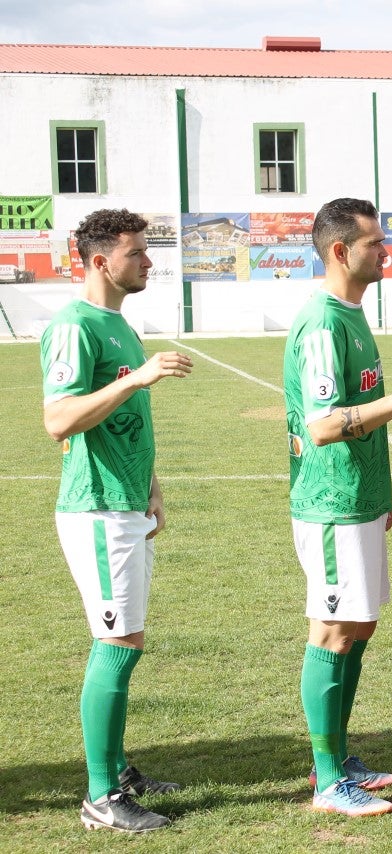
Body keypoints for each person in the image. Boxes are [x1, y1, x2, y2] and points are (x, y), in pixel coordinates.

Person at [285, 197, 392, 818]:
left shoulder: (352, 315)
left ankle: (339, 757)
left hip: (359, 502)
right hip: (330, 504)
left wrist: (381, 497)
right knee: (331, 630)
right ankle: (328, 779)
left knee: (359, 625)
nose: (386, 252)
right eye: (375, 243)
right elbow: (324, 425)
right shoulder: (324, 323)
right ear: (339, 251)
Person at [41, 208, 193, 833]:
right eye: (138, 254)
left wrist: (151, 488)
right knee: (117, 644)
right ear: (102, 261)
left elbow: (127, 425)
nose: (149, 262)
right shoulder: (75, 326)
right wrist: (140, 380)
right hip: (96, 508)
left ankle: (119, 769)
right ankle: (101, 796)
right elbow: (59, 420)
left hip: (126, 503)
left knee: (125, 642)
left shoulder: (119, 327)